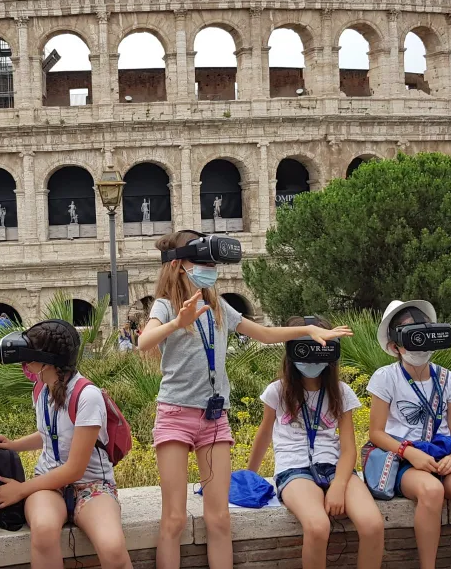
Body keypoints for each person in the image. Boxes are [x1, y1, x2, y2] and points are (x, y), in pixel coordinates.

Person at [136, 230, 351, 569]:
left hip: (214, 418)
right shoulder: (165, 305)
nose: (209, 269)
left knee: (220, 518)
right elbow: (144, 342)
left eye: (212, 262)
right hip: (176, 414)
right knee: (175, 518)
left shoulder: (218, 306)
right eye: (202, 262)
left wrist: (307, 331)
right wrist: (178, 322)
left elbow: (263, 334)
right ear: (179, 265)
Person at [0, 320, 132, 569]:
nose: (25, 364)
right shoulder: (41, 389)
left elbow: (75, 469)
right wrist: (12, 445)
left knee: (112, 546)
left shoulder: (87, 395)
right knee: (43, 532)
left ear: (47, 361)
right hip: (49, 486)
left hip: (91, 484)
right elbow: (50, 435)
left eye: (28, 357)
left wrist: (21, 490)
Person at [246, 316, 384, 569]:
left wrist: (339, 486)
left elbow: (348, 448)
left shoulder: (341, 392)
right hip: (294, 468)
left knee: (373, 524)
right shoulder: (277, 390)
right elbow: (264, 434)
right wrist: (248, 475)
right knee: (318, 526)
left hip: (333, 467)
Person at [366, 301, 451, 569]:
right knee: (431, 491)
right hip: (405, 457)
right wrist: (409, 452)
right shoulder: (386, 378)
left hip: (443, 454)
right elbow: (376, 432)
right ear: (395, 345)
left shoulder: (450, 380)